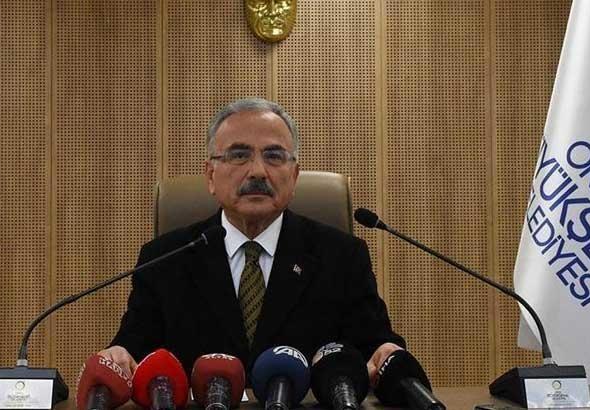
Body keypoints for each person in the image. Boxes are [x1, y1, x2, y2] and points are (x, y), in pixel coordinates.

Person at [100, 98, 405, 386]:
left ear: (294, 176)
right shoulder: (165, 258)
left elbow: (375, 348)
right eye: (238, 155)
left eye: (274, 156)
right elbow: (133, 351)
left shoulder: (342, 257)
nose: (258, 171)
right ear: (210, 176)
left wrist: (387, 356)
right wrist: (118, 357)